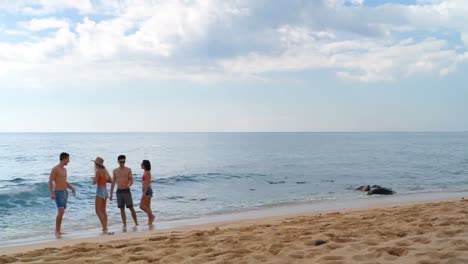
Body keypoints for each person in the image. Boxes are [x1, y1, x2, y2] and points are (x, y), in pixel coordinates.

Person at [48, 152, 76, 238]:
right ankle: (56, 231)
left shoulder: (64, 170)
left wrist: (71, 187)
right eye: (68, 159)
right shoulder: (55, 169)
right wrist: (52, 193)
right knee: (61, 211)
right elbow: (50, 181)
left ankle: (59, 231)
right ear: (64, 159)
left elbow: (64, 181)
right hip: (58, 192)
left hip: (65, 192)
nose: (69, 161)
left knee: (62, 212)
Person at [110, 155, 138, 229]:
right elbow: (113, 182)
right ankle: (124, 224)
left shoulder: (128, 170)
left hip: (126, 190)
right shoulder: (115, 171)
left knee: (131, 207)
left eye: (124, 162)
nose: (122, 163)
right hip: (119, 191)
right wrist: (111, 194)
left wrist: (129, 184)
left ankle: (136, 222)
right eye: (121, 162)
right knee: (121, 209)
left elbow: (131, 179)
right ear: (118, 161)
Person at [92, 157, 112, 233]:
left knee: (97, 210)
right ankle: (105, 226)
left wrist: (93, 180)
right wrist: (103, 180)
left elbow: (95, 182)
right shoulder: (105, 171)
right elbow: (111, 180)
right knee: (103, 210)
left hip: (100, 190)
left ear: (96, 164)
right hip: (105, 190)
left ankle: (104, 227)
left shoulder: (97, 171)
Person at [140, 160, 155, 225]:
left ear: (145, 165)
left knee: (141, 206)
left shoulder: (147, 173)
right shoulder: (145, 172)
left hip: (147, 190)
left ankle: (152, 216)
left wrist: (144, 193)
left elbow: (147, 183)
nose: (141, 164)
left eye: (142, 163)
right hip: (146, 190)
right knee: (148, 207)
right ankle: (150, 221)